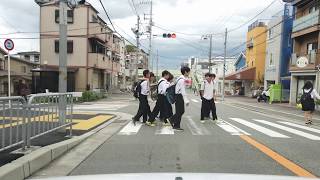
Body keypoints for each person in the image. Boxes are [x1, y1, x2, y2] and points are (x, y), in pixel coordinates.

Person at [169, 66, 190, 131]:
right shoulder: (181, 80)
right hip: (179, 96)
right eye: (189, 72)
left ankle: (175, 124)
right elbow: (183, 91)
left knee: (180, 111)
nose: (189, 73)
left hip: (178, 96)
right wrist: (186, 100)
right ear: (185, 72)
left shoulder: (180, 79)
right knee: (180, 111)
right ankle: (172, 121)